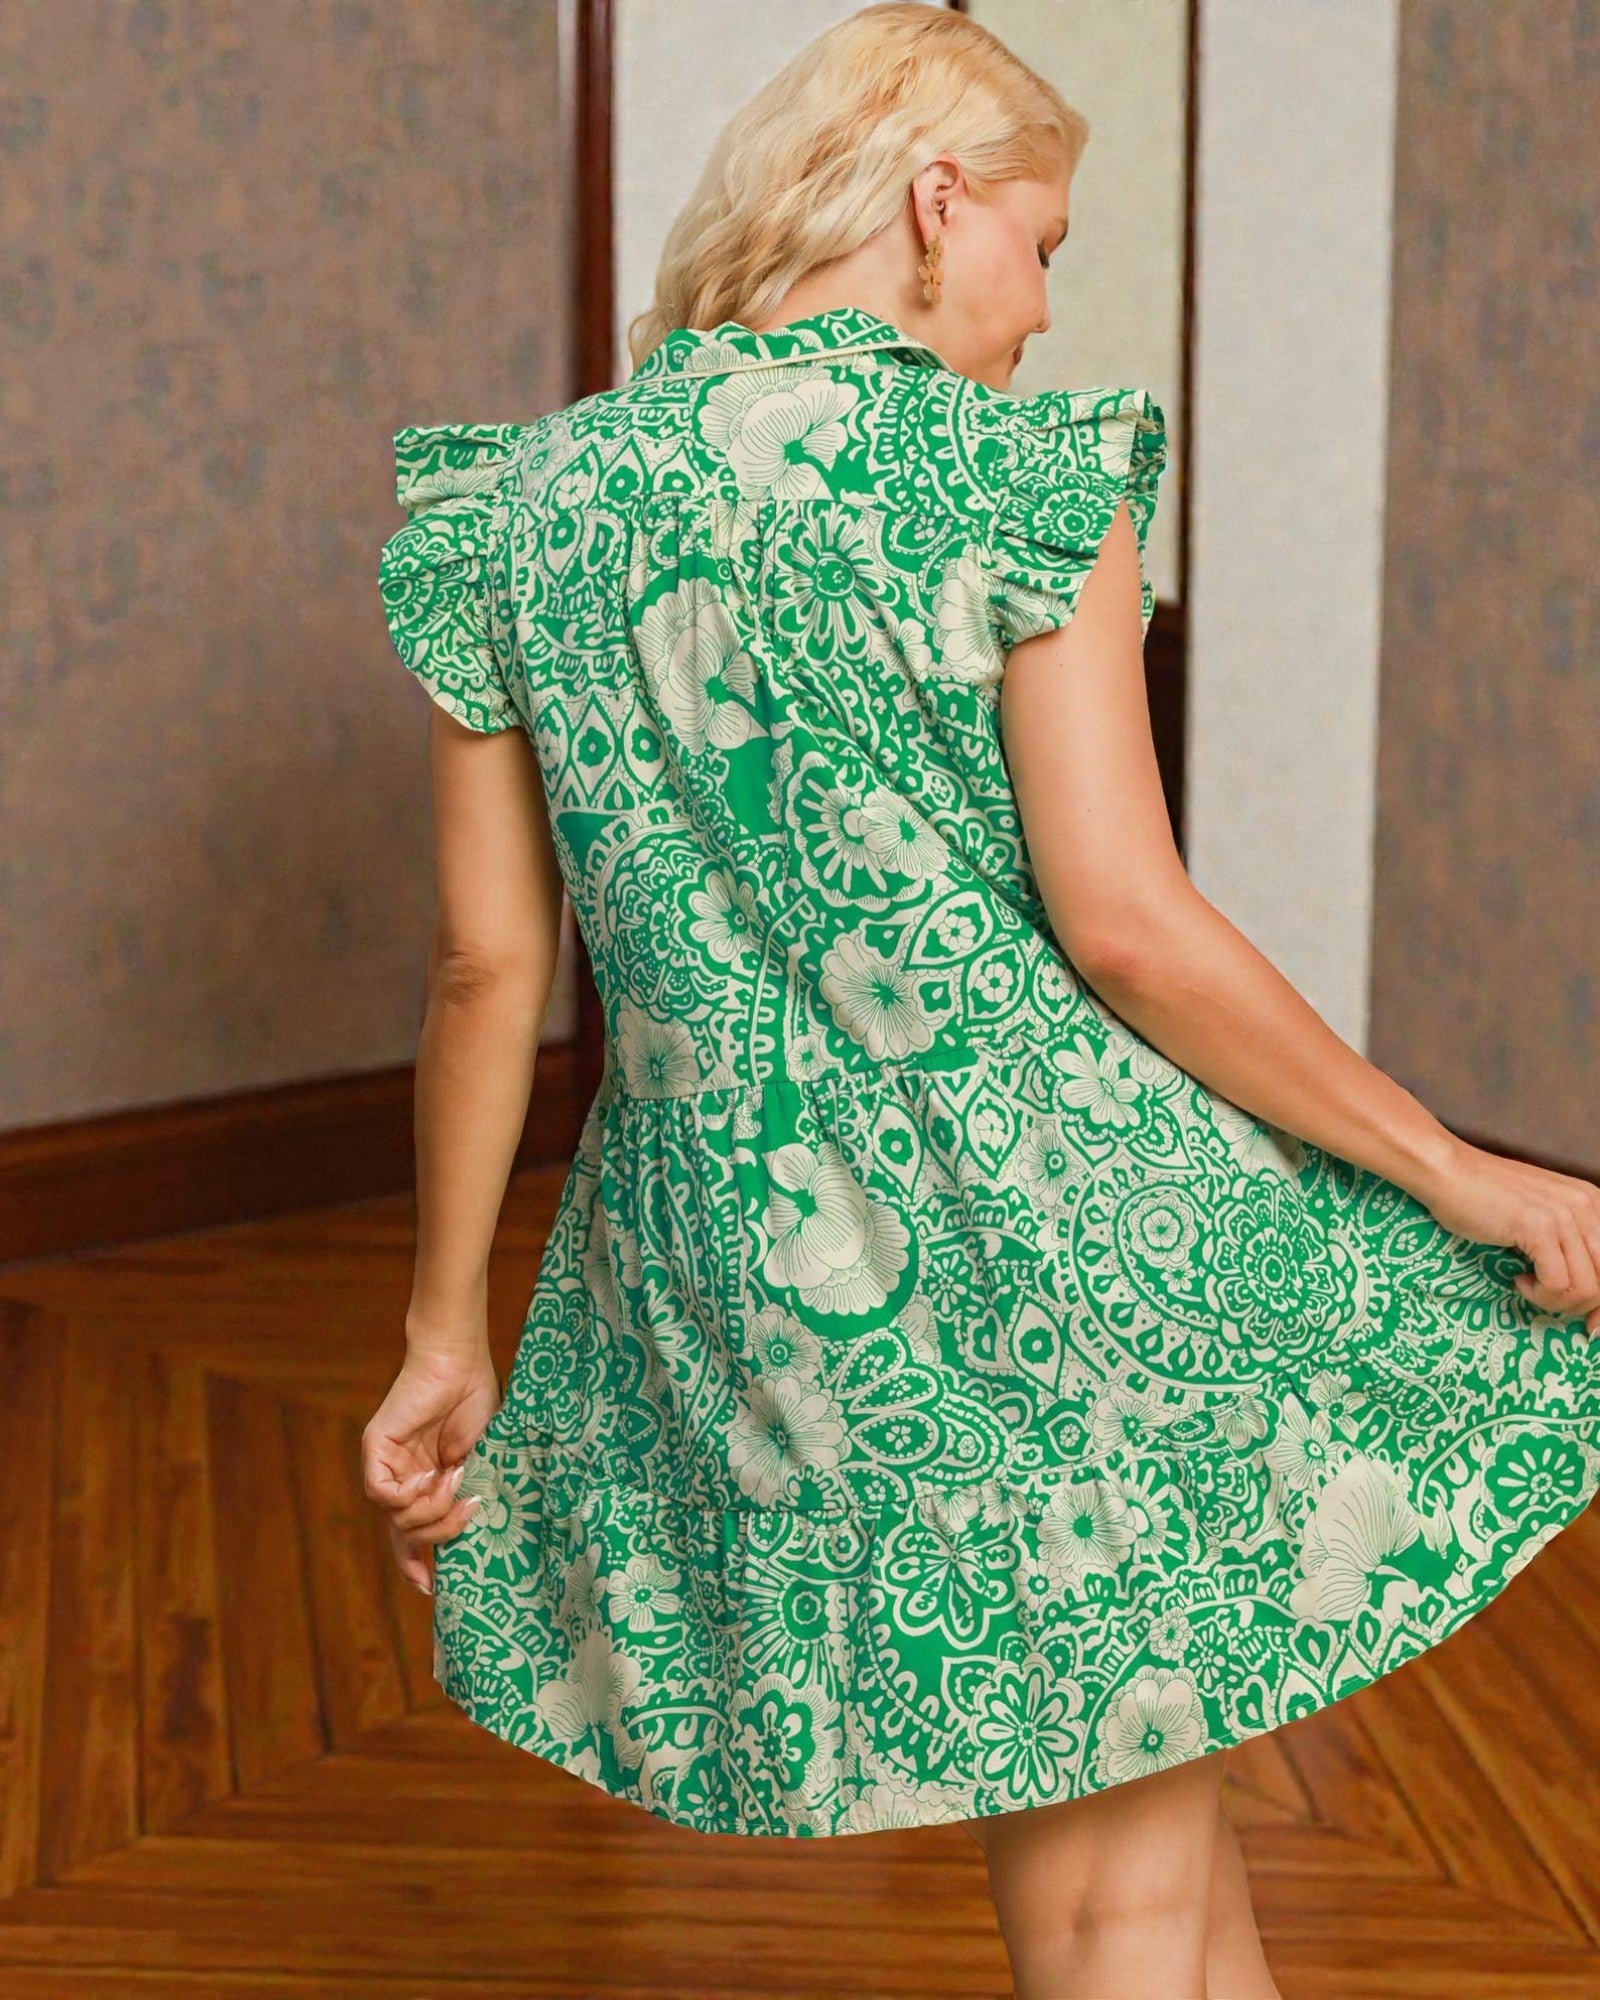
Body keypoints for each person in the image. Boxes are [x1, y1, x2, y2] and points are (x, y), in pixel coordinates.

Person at [361, 7, 1600, 1996]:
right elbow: (1127, 931)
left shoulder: (518, 512)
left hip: (750, 1289)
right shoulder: (1008, 476)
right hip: (1049, 1252)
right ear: (935, 203)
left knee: (1154, 1854)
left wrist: (445, 1332)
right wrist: (1451, 1166)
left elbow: (487, 971)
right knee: (1115, 1897)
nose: (1038, 308)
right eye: (1041, 242)